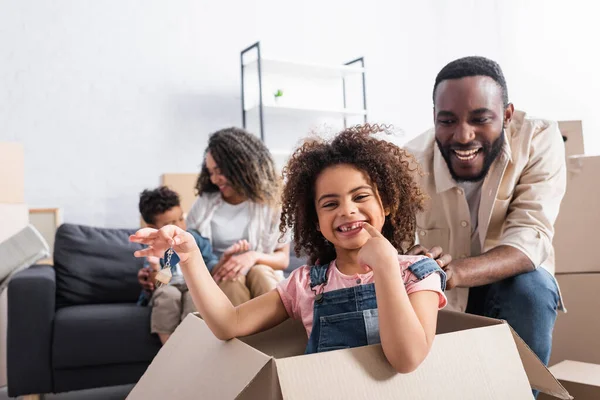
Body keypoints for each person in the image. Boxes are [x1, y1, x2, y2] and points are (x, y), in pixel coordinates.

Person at [130, 124, 447, 373]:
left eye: (360, 196)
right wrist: (188, 255)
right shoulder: (305, 284)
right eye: (330, 203)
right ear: (317, 220)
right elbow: (228, 323)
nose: (347, 210)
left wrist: (387, 266)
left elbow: (406, 360)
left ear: (387, 203)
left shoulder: (418, 275)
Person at [405, 56, 566, 376]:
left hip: (508, 286)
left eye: (480, 119)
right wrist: (410, 258)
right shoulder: (409, 161)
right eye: (447, 121)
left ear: (507, 115)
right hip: (441, 298)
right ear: (434, 117)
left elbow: (529, 239)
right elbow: (398, 242)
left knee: (532, 289)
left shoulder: (538, 139)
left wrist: (453, 273)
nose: (463, 136)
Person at [185, 127, 291, 306]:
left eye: (219, 171)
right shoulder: (204, 205)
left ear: (241, 166)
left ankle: (277, 333)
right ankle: (239, 334)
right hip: (220, 275)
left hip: (262, 272)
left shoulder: (273, 206)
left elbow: (283, 259)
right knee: (231, 279)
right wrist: (224, 263)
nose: (214, 179)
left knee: (260, 272)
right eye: (210, 172)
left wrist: (252, 256)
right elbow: (191, 253)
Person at [136, 186, 248, 344]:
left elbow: (211, 269)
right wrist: (154, 269)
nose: (179, 227)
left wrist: (225, 259)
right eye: (170, 223)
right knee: (168, 295)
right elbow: (159, 283)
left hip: (191, 286)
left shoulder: (195, 239)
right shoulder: (152, 247)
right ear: (152, 229)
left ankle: (190, 344)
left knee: (193, 296)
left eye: (181, 219)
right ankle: (167, 349)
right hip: (166, 286)